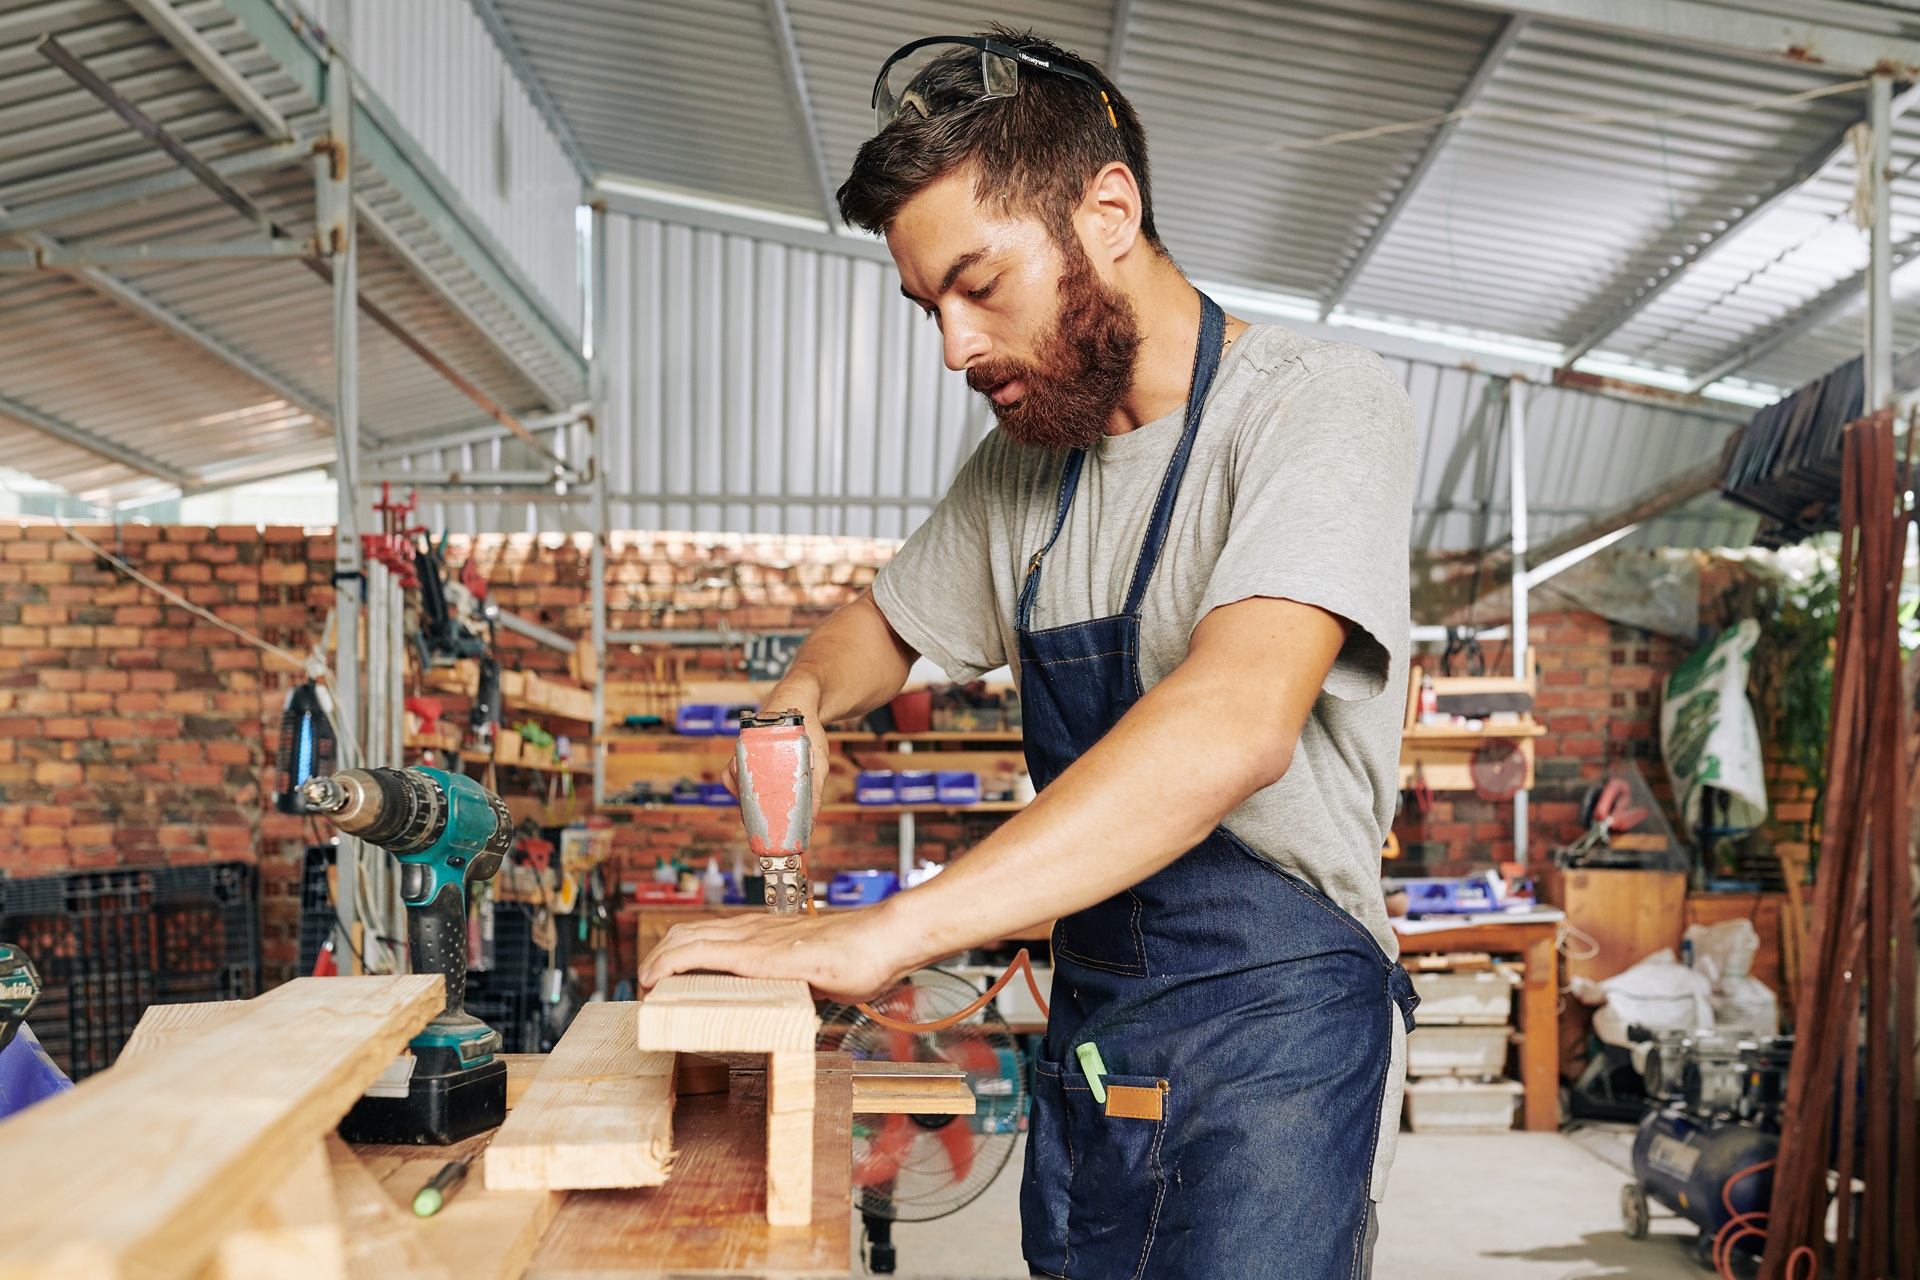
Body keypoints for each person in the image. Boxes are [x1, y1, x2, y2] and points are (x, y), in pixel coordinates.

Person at [640, 29, 1418, 1279]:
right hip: (1103, 1019)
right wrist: (802, 699)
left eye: (979, 283)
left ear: (1108, 210)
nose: (955, 347)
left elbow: (1235, 720)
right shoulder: (1028, 468)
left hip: (1278, 1030)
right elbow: (882, 628)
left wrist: (885, 929)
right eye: (927, 306)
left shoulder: (1311, 404)